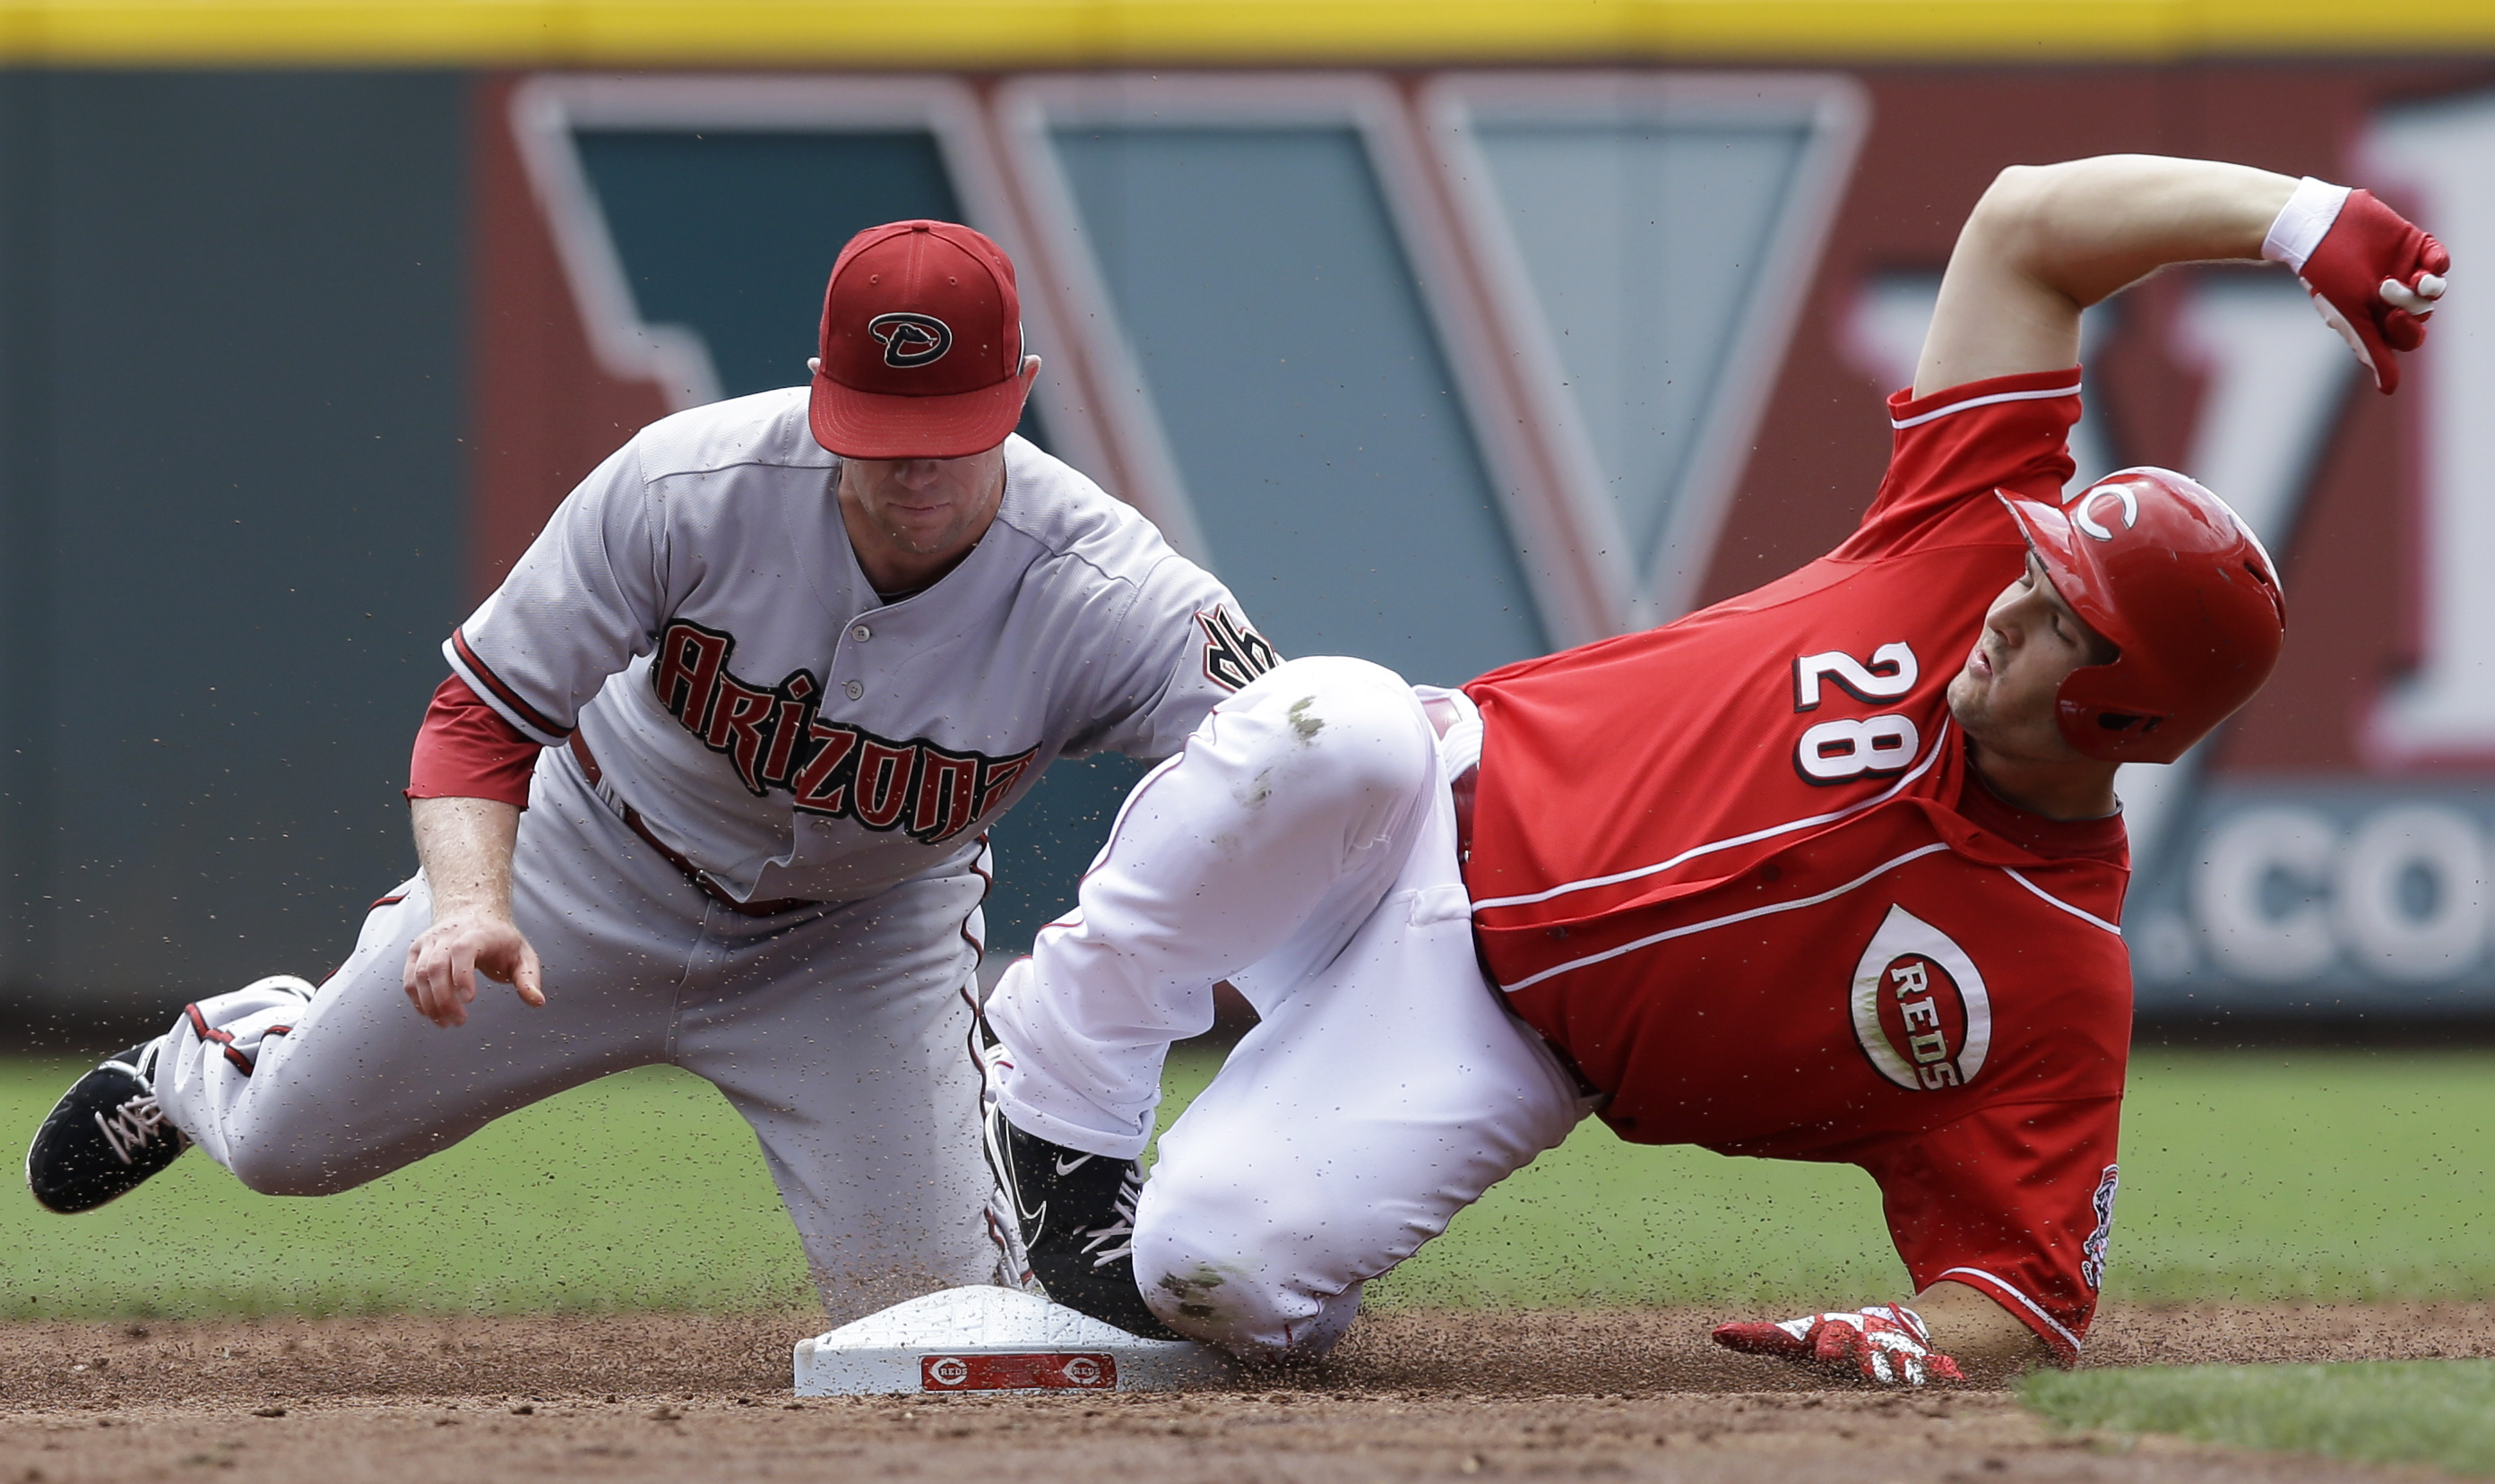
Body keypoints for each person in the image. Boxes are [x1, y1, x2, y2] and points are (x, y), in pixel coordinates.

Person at [976, 157, 2449, 1382]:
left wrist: (1907, 1339)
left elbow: (2028, 1294)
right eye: (2038, 571)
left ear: (2125, 720)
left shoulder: (2056, 979)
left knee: (1212, 1274)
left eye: (2065, 617)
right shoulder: (1962, 533)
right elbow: (2026, 225)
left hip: (1494, 1046)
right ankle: (1062, 1083)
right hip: (1424, 806)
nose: (2014, 596)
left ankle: (1274, 1224)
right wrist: (2298, 218)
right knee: (1331, 720)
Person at [24, 220, 1278, 1325]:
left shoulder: (1115, 593)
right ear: (817, 389)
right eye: (883, 434)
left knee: (942, 1331)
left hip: (862, 943)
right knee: (285, 1148)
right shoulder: (687, 484)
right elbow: (480, 714)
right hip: (593, 868)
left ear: (1024, 392)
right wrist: (471, 904)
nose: (915, 472)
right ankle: (219, 1051)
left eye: (949, 435)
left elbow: (1291, 771)